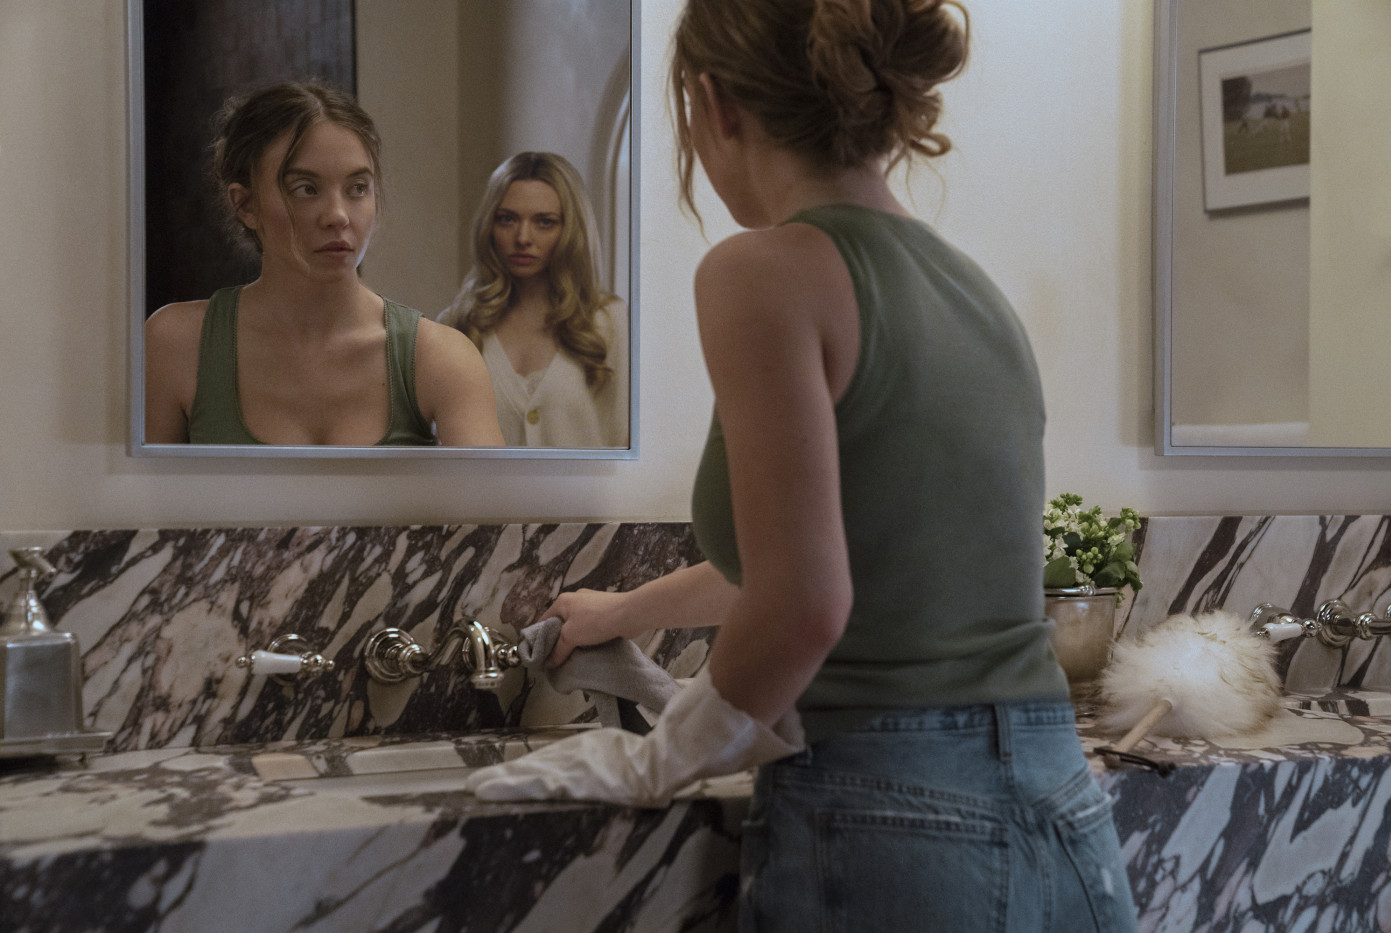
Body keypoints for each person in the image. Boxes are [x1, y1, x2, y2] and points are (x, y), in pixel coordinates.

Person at [465, 2, 1136, 931]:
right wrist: (622, 614)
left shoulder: (760, 271)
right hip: (1063, 813)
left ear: (713, 104)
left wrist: (660, 757)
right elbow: (838, 554)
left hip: (895, 815)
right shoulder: (975, 291)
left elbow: (805, 603)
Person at [145, 80, 504, 447]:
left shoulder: (439, 357)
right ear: (246, 205)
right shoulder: (177, 345)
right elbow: (128, 484)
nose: (338, 216)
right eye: (306, 189)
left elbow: (489, 487)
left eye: (357, 188)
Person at [439, 152, 628, 448]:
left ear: (570, 230)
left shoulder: (611, 322)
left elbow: (625, 444)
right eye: (507, 219)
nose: (523, 238)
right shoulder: (456, 326)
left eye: (545, 222)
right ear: (489, 225)